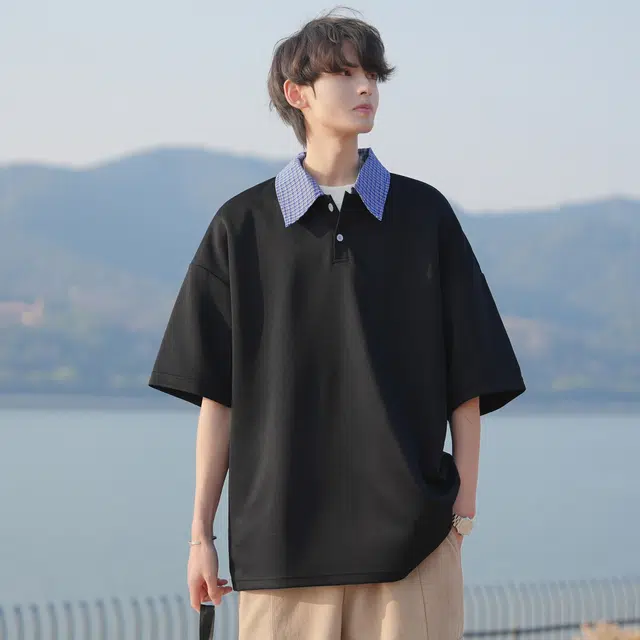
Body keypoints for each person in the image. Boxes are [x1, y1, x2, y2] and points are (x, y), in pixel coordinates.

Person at [148, 9, 526, 639]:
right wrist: (199, 537)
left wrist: (463, 509)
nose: (366, 86)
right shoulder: (242, 226)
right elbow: (219, 397)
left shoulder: (424, 215)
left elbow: (469, 374)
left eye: (372, 74)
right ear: (297, 94)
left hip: (414, 546)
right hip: (280, 550)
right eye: (345, 73)